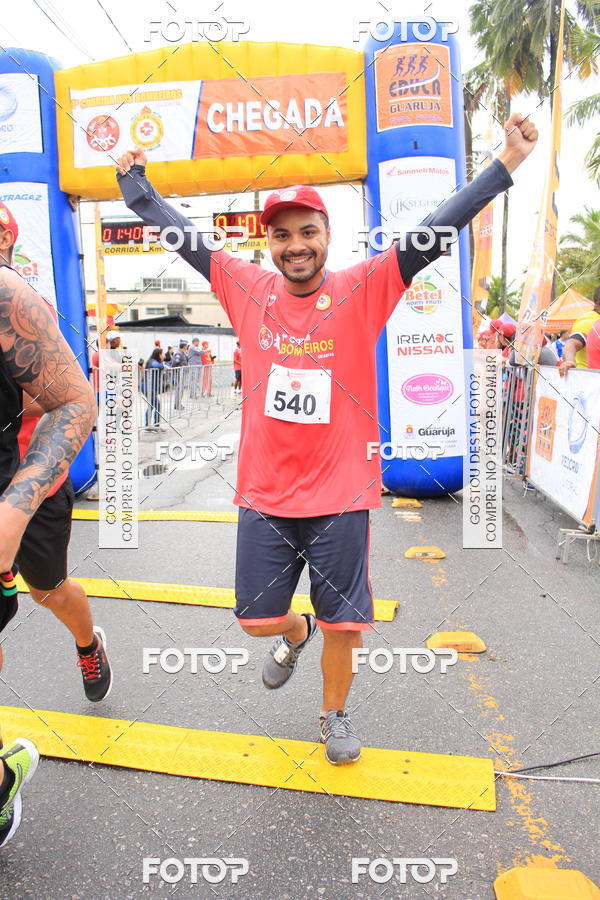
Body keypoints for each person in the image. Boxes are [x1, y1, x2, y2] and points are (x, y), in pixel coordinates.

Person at [116, 111, 538, 764]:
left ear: (326, 236)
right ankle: (295, 631)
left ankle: (333, 712)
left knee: (348, 621)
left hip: (341, 491)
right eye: (282, 235)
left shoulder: (364, 286)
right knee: (256, 620)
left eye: (307, 231)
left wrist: (504, 163)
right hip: (265, 491)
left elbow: (437, 229)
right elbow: (185, 239)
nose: (295, 245)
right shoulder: (245, 288)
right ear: (272, 246)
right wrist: (136, 186)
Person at [0, 200, 101, 846]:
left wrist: (15, 505)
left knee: (47, 591)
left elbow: (65, 396)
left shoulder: (18, 301)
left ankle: (89, 647)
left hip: (30, 484)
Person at [558, 285, 600, 376]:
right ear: (596, 304)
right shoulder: (590, 321)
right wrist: (569, 361)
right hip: (590, 379)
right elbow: (571, 343)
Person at [143, 348, 166, 432]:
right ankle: (155, 426)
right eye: (162, 353)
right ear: (159, 354)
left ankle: (149, 426)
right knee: (156, 405)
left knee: (151, 406)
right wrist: (163, 364)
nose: (164, 355)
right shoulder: (152, 361)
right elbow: (157, 366)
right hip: (148, 387)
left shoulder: (154, 361)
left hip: (151, 387)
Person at [170, 339, 189, 409]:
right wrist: (182, 366)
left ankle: (178, 404)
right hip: (179, 374)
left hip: (182, 374)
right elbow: (175, 362)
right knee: (179, 390)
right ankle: (177, 405)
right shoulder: (178, 353)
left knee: (180, 390)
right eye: (186, 346)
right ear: (184, 346)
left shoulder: (183, 352)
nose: (187, 347)